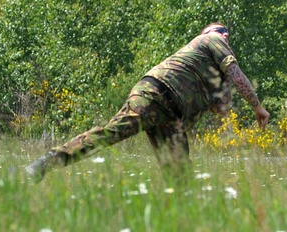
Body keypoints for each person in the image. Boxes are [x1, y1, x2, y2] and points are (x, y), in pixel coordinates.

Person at [25, 23, 269, 182]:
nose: (225, 33)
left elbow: (221, 110)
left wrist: (223, 81)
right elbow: (236, 72)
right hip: (154, 95)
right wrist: (257, 106)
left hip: (172, 118)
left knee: (181, 179)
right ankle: (47, 162)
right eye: (220, 29)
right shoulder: (209, 41)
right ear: (209, 34)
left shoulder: (213, 72)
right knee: (111, 134)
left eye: (227, 32)